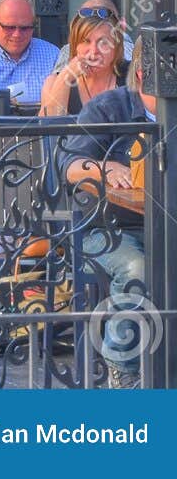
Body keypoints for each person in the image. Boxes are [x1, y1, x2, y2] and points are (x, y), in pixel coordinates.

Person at [61, 36, 154, 387]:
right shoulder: (108, 108)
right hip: (107, 228)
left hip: (166, 225)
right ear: (144, 74)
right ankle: (124, 370)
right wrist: (103, 168)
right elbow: (68, 166)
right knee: (138, 266)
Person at [40, 13, 125, 117]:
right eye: (86, 41)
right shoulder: (53, 82)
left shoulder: (133, 77)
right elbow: (49, 128)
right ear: (75, 46)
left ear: (116, 47)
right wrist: (64, 79)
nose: (94, 51)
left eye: (103, 42)